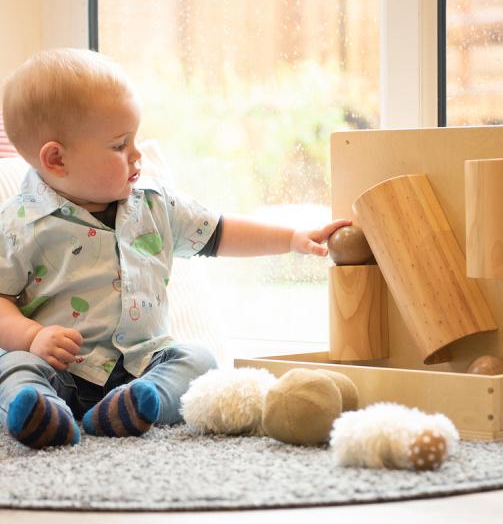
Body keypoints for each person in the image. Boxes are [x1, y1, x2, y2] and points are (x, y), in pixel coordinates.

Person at [0, 48, 350, 449]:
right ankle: (41, 413)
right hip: (58, 369)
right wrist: (30, 337)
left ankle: (136, 407)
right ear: (57, 159)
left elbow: (219, 231)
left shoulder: (153, 202)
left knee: (199, 360)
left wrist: (290, 238)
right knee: (13, 367)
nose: (137, 154)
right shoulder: (19, 223)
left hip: (142, 368)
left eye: (134, 138)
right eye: (119, 145)